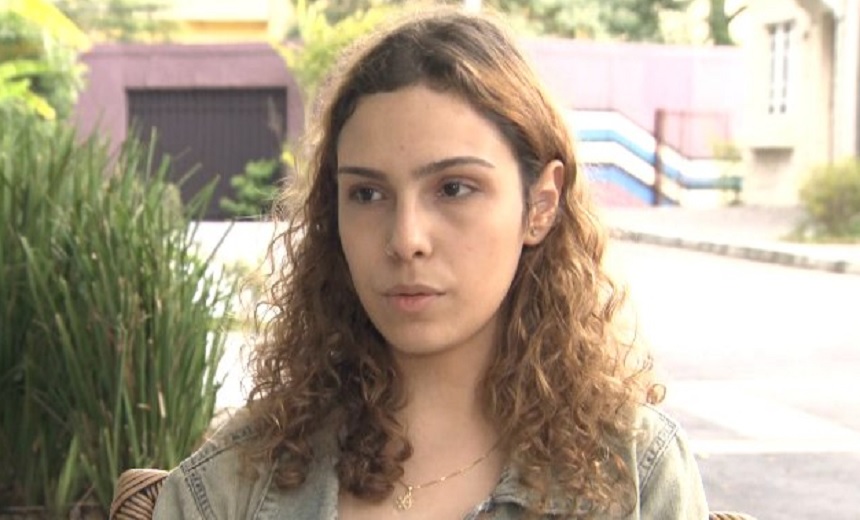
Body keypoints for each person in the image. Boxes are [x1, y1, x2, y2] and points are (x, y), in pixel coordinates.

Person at [153, 6, 709, 519]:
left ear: (541, 205)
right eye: (368, 194)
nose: (406, 239)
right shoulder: (228, 488)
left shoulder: (636, 474)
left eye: (453, 188)